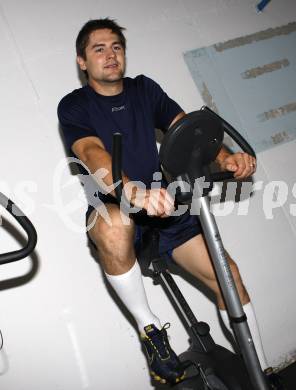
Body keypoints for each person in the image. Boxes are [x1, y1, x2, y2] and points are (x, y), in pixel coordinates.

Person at [58, 18, 284, 388]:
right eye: (99, 49)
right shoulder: (74, 106)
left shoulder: (144, 89)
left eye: (116, 47)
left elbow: (187, 129)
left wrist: (225, 157)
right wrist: (130, 191)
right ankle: (151, 332)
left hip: (167, 208)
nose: (110, 55)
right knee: (112, 223)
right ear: (82, 61)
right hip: (120, 206)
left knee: (229, 277)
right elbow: (91, 151)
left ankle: (260, 372)